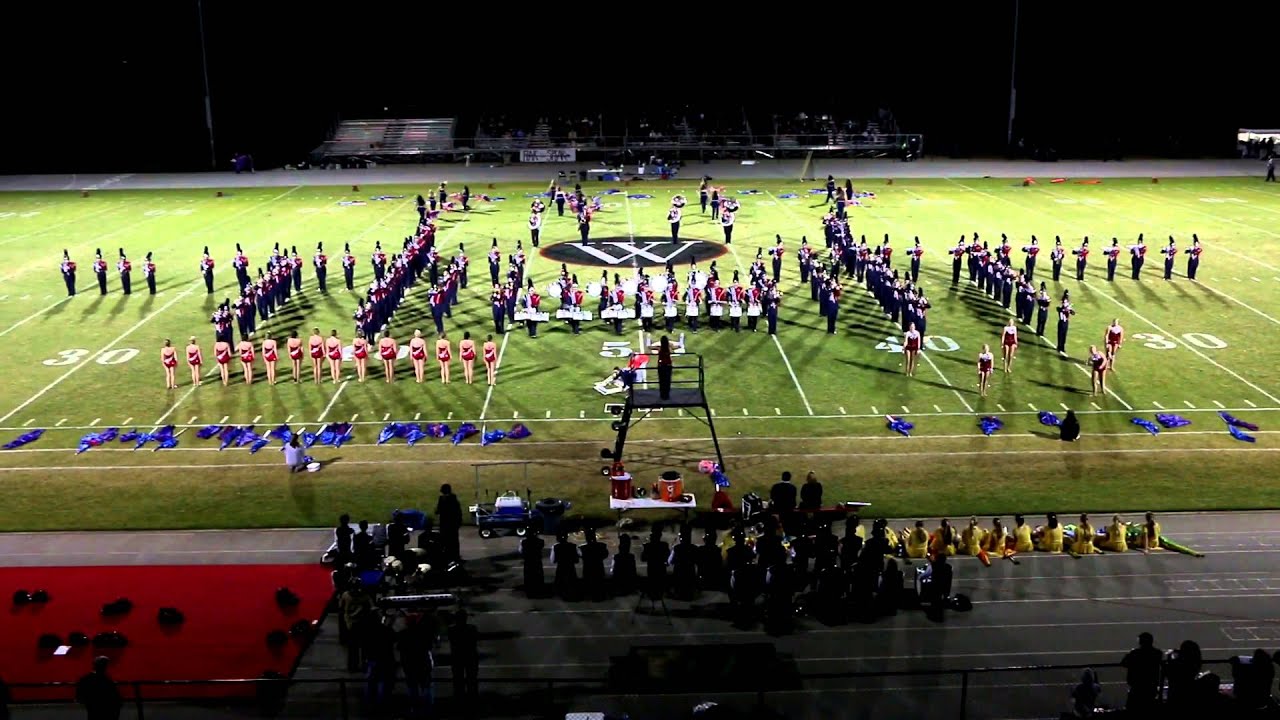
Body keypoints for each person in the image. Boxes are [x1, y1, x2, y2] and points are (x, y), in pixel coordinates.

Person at [1120, 632, 1162, 713]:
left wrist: (1130, 653)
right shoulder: (1157, 653)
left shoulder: (1135, 653)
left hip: (1137, 686)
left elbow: (1124, 663)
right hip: (1151, 686)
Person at [448, 609, 480, 703]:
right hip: (470, 656)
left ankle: (459, 699)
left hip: (457, 657)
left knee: (458, 680)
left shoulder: (451, 630)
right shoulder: (472, 628)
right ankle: (473, 699)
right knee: (472, 679)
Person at [435, 484, 462, 562]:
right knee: (454, 541)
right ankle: (455, 557)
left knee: (446, 541)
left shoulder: (443, 499)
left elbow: (438, 510)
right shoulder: (453, 499)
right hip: (452, 524)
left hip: (446, 524)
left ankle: (448, 557)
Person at [657, 334, 673, 400]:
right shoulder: (668, 349)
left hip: (661, 367)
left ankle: (662, 395)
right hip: (668, 366)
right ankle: (667, 395)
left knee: (662, 381)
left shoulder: (661, 350)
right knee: (667, 381)